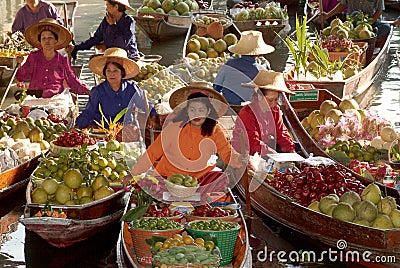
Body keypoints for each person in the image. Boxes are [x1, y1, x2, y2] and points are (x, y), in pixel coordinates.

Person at [125, 84, 248, 201]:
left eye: (201, 110)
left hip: (199, 180)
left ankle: (199, 201)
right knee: (150, 185)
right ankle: (190, 199)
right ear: (187, 111)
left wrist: (239, 159)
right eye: (192, 110)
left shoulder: (215, 131)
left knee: (221, 179)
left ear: (208, 112)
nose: (196, 115)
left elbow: (227, 153)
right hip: (168, 179)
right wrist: (134, 173)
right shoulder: (174, 128)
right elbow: (152, 153)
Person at [75, 47, 156, 129]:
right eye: (108, 70)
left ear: (122, 72)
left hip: (125, 129)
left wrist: (152, 116)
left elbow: (144, 104)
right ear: (105, 72)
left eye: (115, 71)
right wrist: (77, 126)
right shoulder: (98, 91)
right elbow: (88, 112)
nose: (111, 74)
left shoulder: (131, 88)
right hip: (102, 130)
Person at [15, 18, 89, 98]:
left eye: (50, 38)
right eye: (44, 38)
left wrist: (86, 90)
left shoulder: (62, 59)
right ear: (40, 41)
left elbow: (71, 79)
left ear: (56, 41)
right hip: (35, 96)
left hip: (55, 97)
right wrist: (19, 64)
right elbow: (21, 77)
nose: (47, 41)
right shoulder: (33, 56)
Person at [231, 70, 295, 156]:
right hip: (243, 154)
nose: (273, 104)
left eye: (276, 100)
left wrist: (291, 151)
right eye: (270, 100)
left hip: (264, 151)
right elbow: (252, 142)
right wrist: (273, 154)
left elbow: (282, 134)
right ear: (259, 96)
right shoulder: (247, 113)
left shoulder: (275, 111)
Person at [213, 30, 275, 105]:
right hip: (250, 108)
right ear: (258, 54)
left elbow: (216, 87)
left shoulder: (229, 64)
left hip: (229, 106)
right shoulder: (262, 71)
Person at [67, 0, 140, 61]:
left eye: (107, 6)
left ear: (116, 7)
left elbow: (122, 44)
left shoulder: (129, 22)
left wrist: (112, 26)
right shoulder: (106, 20)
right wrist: (76, 47)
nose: (106, 9)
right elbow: (96, 39)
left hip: (128, 57)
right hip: (111, 56)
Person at [319, 0, 391, 40]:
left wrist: (368, 24)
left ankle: (369, 39)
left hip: (370, 22)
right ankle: (359, 38)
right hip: (352, 23)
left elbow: (379, 10)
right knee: (356, 14)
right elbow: (342, 5)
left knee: (386, 27)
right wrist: (328, 15)